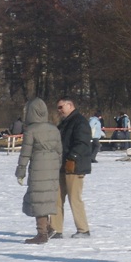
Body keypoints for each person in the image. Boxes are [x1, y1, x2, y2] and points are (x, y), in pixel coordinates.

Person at [15, 98, 63, 244]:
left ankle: (42, 234)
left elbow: (25, 153)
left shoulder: (31, 130)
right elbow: (59, 151)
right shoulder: (54, 129)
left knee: (38, 200)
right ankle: (48, 228)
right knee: (45, 199)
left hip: (38, 169)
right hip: (52, 169)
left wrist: (20, 171)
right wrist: (56, 167)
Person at [50, 96, 93, 239]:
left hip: (75, 166)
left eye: (61, 107)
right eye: (58, 108)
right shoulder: (64, 123)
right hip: (61, 165)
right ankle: (55, 229)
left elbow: (82, 143)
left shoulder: (80, 122)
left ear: (70, 105)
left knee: (74, 198)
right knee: (56, 198)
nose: (59, 110)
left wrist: (72, 157)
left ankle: (83, 229)